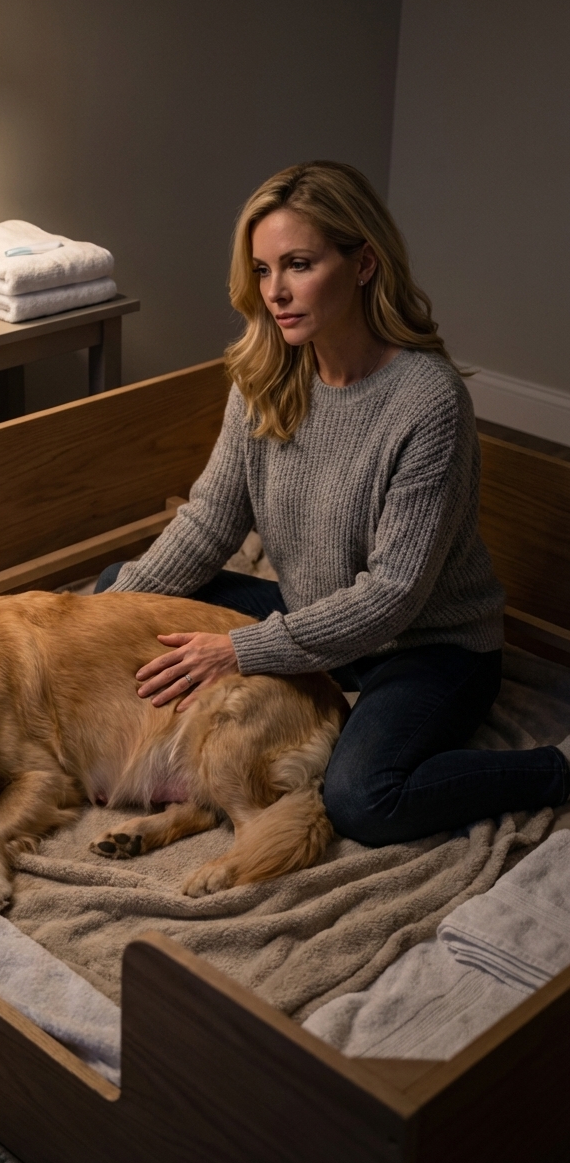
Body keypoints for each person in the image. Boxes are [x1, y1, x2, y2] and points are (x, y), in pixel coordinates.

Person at [96, 160, 570, 846]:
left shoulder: (427, 400)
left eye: (297, 264)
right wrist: (90, 621)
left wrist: (242, 651)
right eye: (261, 271)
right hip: (312, 617)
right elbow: (208, 523)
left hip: (427, 647)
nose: (275, 292)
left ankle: (551, 771)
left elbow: (393, 596)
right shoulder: (264, 375)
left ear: (363, 263)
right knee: (117, 590)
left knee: (360, 801)